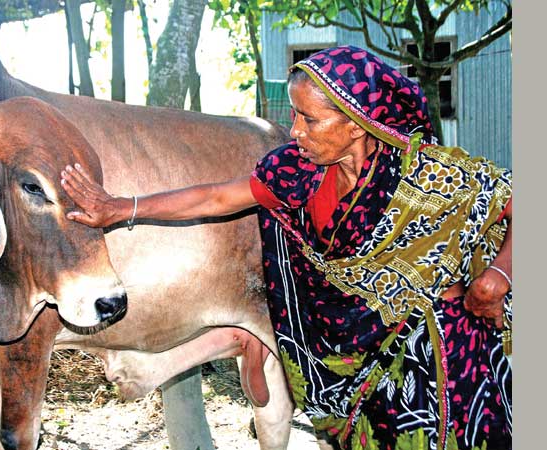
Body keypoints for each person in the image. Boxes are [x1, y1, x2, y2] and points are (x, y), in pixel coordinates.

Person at [60, 45, 512, 450]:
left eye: (310, 119)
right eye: (295, 115)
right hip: (356, 370)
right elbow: (214, 197)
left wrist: (501, 274)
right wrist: (121, 208)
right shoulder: (298, 171)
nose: (295, 131)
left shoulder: (430, 175)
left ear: (357, 124)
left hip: (443, 358)